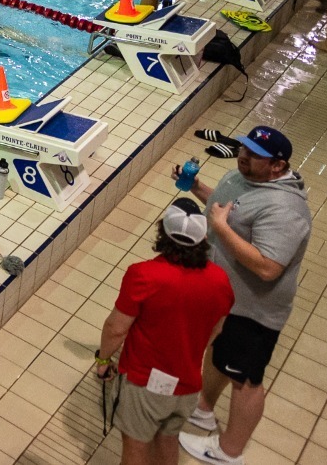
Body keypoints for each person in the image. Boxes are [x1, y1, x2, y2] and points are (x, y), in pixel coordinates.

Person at [178, 128, 312, 465]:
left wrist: (221, 228)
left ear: (278, 167)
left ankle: (229, 452)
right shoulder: (242, 176)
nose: (243, 157)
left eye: (254, 155)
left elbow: (268, 267)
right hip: (226, 297)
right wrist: (197, 188)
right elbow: (224, 208)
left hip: (254, 309)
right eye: (243, 148)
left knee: (246, 380)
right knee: (219, 353)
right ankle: (204, 411)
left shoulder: (285, 209)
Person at [94, 199, 232, 465]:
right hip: (187, 386)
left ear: (163, 233)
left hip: (144, 383)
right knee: (167, 439)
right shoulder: (220, 281)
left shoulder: (144, 275)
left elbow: (116, 328)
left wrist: (103, 361)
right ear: (203, 237)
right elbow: (216, 330)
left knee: (135, 448)